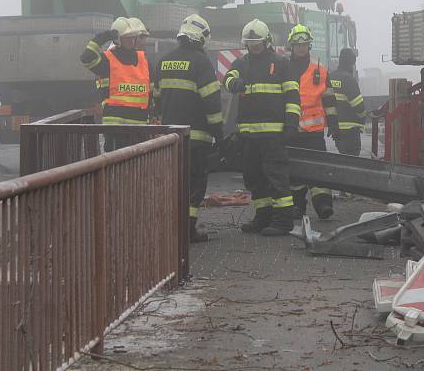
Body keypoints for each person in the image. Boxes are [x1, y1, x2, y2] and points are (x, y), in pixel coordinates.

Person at [224, 19, 300, 236]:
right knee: (254, 178)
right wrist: (233, 84)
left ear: (266, 41)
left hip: (273, 134)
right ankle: (263, 216)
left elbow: (293, 97)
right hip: (248, 135)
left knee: (276, 177)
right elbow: (227, 79)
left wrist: (291, 123)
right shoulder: (241, 63)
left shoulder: (282, 63)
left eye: (257, 43)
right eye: (250, 43)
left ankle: (283, 220)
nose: (254, 47)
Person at [156, 14, 223, 243]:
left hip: (169, 138)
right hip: (196, 138)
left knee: (173, 182)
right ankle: (188, 229)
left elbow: (156, 99)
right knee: (194, 183)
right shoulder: (201, 62)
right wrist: (219, 133)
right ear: (201, 37)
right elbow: (212, 102)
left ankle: (170, 226)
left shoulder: (164, 60)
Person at [286, 24, 339, 219]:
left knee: (319, 169)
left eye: (304, 44)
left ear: (309, 45)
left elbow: (329, 99)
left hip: (314, 132)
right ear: (291, 46)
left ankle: (323, 205)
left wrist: (333, 122)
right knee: (295, 171)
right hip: (292, 129)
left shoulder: (320, 70)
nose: (301, 47)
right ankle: (297, 207)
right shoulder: (283, 68)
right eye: (297, 44)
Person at [80, 16, 151, 151]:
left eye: (133, 37)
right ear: (118, 39)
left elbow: (151, 92)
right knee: (115, 168)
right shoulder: (107, 60)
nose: (132, 41)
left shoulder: (144, 60)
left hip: (140, 129)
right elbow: (86, 58)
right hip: (115, 130)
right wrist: (104, 37)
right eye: (128, 37)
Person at [330, 48, 366, 157]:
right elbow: (359, 106)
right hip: (351, 131)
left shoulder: (330, 77)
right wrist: (364, 116)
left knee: (343, 160)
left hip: (336, 129)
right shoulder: (349, 79)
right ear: (352, 63)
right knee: (352, 162)